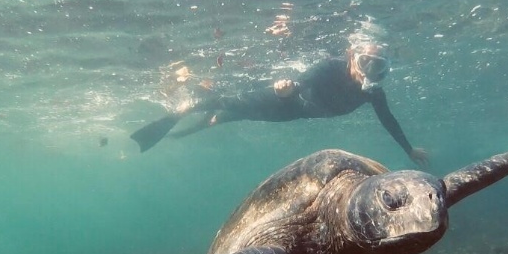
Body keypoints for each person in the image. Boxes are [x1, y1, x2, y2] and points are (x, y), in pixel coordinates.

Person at [130, 43, 428, 166]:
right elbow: (301, 81)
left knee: (231, 115)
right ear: (352, 56)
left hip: (292, 115)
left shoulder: (373, 93)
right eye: (365, 62)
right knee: (226, 102)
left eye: (379, 67)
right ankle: (176, 115)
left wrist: (409, 150)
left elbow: (388, 120)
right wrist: (286, 89)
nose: (369, 72)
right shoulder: (329, 67)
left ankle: (189, 129)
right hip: (282, 102)